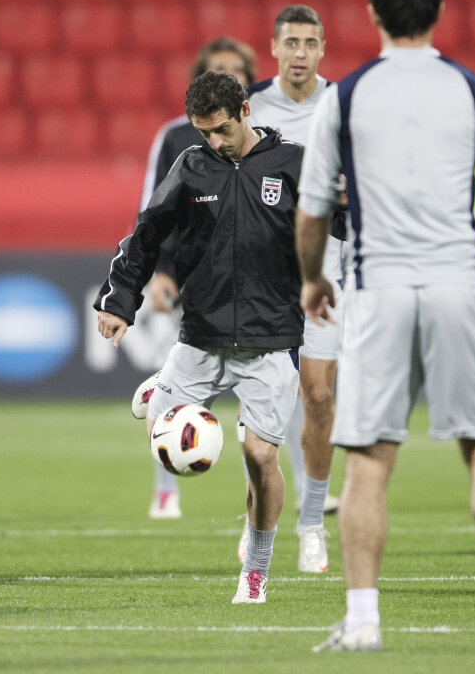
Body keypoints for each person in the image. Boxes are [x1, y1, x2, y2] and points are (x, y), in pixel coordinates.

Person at [296, 0, 475, 652]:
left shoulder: (344, 98)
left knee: (368, 459)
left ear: (372, 14)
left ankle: (362, 623)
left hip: (377, 288)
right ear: (439, 11)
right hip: (457, 285)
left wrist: (311, 279)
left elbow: (312, 209)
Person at [96, 70, 305, 604]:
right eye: (203, 132)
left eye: (222, 130)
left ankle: (256, 570)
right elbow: (146, 234)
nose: (214, 141)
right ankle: (161, 388)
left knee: (260, 457)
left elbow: (346, 221)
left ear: (245, 112)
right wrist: (120, 301)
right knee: (160, 445)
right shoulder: (192, 166)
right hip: (201, 336)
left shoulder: (294, 165)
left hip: (270, 339)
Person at [139, 37, 257, 520]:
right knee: (176, 392)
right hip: (191, 280)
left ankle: (261, 502)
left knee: (267, 401)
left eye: (237, 70)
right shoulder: (175, 137)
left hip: (255, 286)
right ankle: (166, 488)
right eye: (218, 70)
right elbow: (154, 210)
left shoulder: (271, 139)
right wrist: (160, 271)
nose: (229, 76)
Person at [245, 4, 341, 574]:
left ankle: (311, 524)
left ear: (323, 49)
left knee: (320, 396)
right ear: (274, 48)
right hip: (266, 274)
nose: (300, 53)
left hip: (329, 268)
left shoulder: (343, 104)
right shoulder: (251, 107)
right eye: (291, 43)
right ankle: (256, 521)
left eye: (310, 43)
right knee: (262, 404)